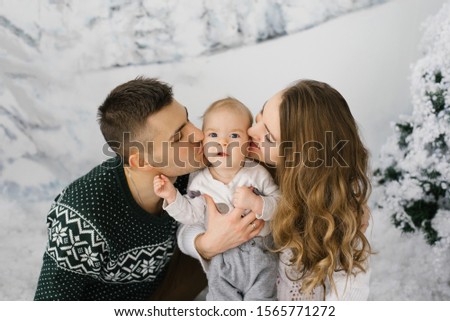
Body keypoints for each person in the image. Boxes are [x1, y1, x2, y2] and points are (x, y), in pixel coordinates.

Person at [33, 77, 261, 300]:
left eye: (188, 118)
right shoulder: (81, 218)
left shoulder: (190, 168)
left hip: (168, 278)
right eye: (178, 137)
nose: (198, 135)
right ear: (140, 162)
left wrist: (204, 246)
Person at [179, 79, 372, 300]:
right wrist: (205, 244)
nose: (251, 130)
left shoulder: (339, 211)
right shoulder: (233, 163)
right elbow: (188, 225)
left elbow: (351, 288)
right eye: (260, 115)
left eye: (268, 136)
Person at [153, 98, 280, 300]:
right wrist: (172, 196)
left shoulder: (256, 173)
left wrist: (258, 203)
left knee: (262, 300)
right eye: (213, 134)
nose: (223, 142)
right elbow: (190, 216)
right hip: (221, 260)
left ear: (248, 144)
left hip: (261, 255)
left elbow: (280, 205)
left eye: (234, 135)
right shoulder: (200, 181)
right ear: (203, 142)